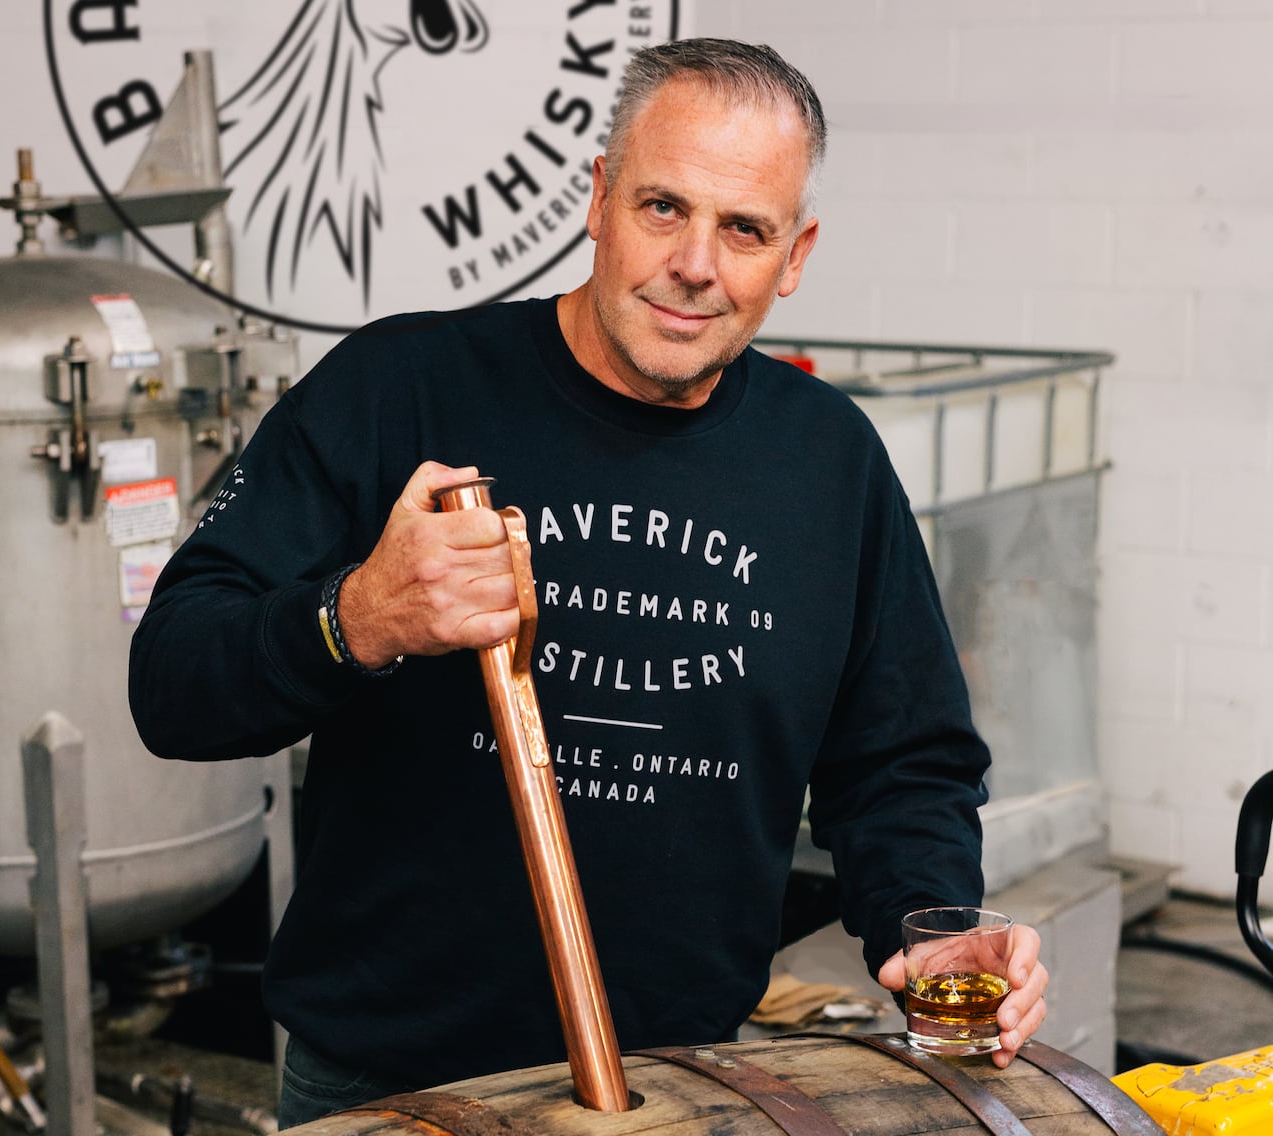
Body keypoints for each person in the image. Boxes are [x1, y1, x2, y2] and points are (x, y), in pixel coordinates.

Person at [129, 36, 1048, 1128]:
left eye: (743, 228)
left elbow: (901, 761)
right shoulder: (400, 387)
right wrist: (357, 616)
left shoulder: (831, 462)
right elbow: (172, 679)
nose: (696, 263)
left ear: (792, 254)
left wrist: (928, 923)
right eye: (663, 207)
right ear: (599, 198)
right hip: (389, 1087)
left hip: (680, 1084)